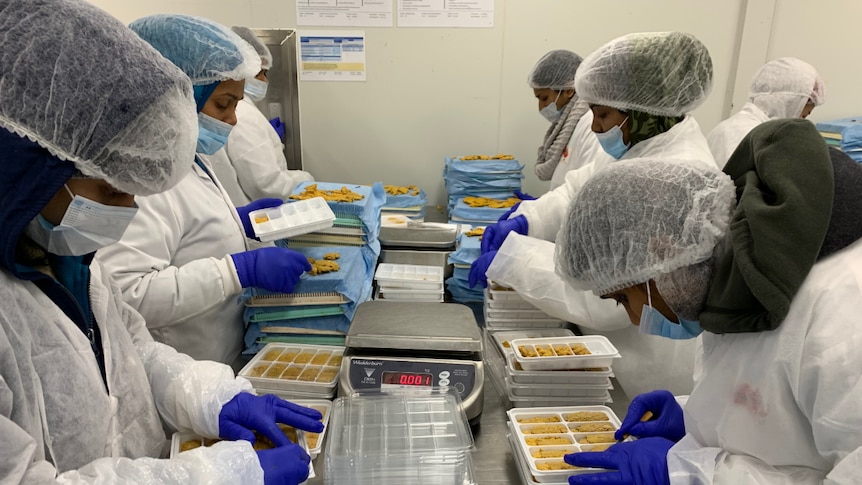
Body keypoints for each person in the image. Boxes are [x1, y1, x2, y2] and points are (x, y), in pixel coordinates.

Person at [0, 1, 322, 483]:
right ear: (29, 166)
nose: (128, 210)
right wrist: (215, 476)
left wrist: (211, 398)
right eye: (112, 189)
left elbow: (133, 352)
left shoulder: (68, 260)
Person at [556, 120, 862, 484]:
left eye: (623, 297)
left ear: (662, 254)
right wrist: (692, 417)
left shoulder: (843, 309)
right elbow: (776, 418)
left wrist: (692, 474)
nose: (636, 319)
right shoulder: (734, 281)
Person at [470, 31, 717, 396]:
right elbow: (579, 190)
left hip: (645, 368)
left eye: (602, 114)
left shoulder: (672, 179)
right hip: (612, 353)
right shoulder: (639, 142)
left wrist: (514, 260)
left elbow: (607, 294)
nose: (594, 126)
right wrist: (529, 219)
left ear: (642, 110)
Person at [96, 15, 312, 368]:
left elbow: (189, 233)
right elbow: (128, 295)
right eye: (223, 104)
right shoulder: (140, 180)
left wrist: (234, 222)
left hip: (222, 355)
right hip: (184, 372)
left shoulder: (189, 157)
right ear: (176, 95)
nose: (232, 119)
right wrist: (236, 271)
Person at [208, 26, 314, 206]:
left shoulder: (240, 109)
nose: (265, 81)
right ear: (241, 71)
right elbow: (266, 184)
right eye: (260, 73)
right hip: (256, 222)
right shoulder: (242, 114)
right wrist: (306, 180)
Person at [707, 57, 825, 167]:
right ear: (788, 102)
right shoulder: (747, 136)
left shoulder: (740, 127)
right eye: (802, 115)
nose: (799, 122)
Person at [529, 49, 595, 189]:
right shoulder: (568, 126)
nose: (541, 107)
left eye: (544, 98)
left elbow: (584, 187)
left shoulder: (590, 125)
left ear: (568, 91)